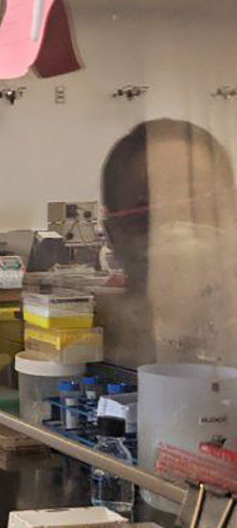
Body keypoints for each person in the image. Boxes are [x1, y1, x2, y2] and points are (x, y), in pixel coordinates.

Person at [99, 118, 237, 368]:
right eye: (147, 214)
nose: (177, 231)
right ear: (113, 234)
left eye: (199, 207)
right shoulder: (99, 340)